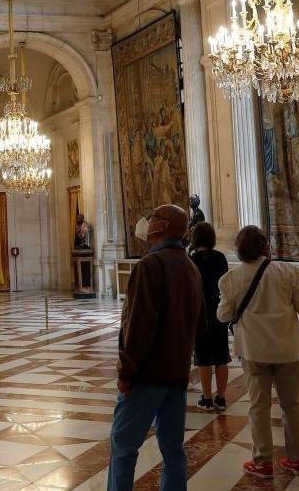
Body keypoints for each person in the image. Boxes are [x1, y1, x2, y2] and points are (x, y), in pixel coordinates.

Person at [107, 204, 204, 491]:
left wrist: (126, 370)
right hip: (176, 373)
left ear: (162, 226)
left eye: (152, 220)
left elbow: (138, 325)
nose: (147, 225)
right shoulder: (190, 267)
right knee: (173, 449)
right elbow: (197, 322)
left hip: (147, 374)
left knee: (123, 445)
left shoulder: (150, 265)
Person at [217, 225, 299, 480]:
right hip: (287, 348)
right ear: (264, 246)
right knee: (292, 406)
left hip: (254, 350)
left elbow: (223, 315)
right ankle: (298, 458)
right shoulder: (287, 271)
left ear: (239, 250)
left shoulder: (232, 278)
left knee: (258, 406)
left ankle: (262, 461)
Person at [190, 222, 229, 412]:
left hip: (199, 312)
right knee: (222, 356)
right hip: (219, 309)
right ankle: (221, 398)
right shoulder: (221, 258)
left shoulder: (192, 259)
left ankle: (206, 398)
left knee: (203, 357)